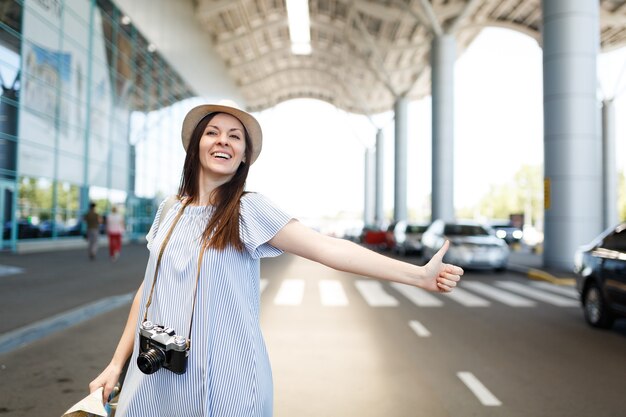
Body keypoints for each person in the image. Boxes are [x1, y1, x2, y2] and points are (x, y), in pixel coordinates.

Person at [88, 100, 464, 416]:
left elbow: (327, 248)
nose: (224, 141)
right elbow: (148, 290)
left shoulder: (248, 210)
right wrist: (115, 365)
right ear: (196, 146)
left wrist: (418, 276)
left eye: (235, 137)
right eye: (213, 132)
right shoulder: (170, 210)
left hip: (226, 382)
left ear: (244, 157)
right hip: (155, 377)